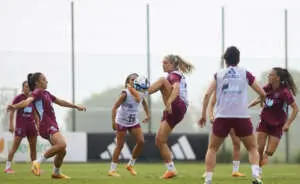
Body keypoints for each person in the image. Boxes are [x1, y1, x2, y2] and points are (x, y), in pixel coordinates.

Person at [198, 46, 266, 184]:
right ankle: (256, 177)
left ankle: (208, 180)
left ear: (225, 60)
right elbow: (262, 93)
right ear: (238, 59)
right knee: (252, 147)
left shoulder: (219, 74)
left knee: (212, 148)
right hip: (241, 116)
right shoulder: (245, 73)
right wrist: (262, 101)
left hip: (222, 116)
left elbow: (206, 95)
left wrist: (204, 115)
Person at [7, 72, 86, 179]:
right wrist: (14, 106)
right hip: (46, 125)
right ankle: (37, 163)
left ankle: (56, 172)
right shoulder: (37, 92)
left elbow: (61, 102)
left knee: (62, 151)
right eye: (44, 79)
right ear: (37, 82)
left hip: (52, 124)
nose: (46, 81)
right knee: (62, 144)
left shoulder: (46, 93)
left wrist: (76, 106)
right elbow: (27, 101)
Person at [129, 54, 194, 179]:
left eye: (165, 62)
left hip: (177, 105)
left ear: (172, 64)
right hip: (175, 110)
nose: (162, 64)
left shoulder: (174, 75)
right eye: (162, 62)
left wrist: (169, 103)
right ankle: (171, 169)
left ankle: (142, 93)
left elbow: (176, 89)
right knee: (159, 140)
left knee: (162, 81)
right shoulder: (172, 75)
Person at [249, 67, 299, 178]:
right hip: (264, 122)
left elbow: (295, 109)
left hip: (278, 125)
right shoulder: (267, 88)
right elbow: (259, 97)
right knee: (259, 149)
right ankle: (257, 175)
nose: (269, 76)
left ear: (277, 78)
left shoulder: (285, 92)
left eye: (271, 75)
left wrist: (288, 124)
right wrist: (247, 106)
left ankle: (262, 163)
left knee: (269, 152)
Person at [108, 73, 150, 177]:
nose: (133, 81)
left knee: (141, 141)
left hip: (133, 122)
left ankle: (130, 165)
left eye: (135, 79)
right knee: (120, 145)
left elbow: (144, 102)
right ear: (128, 81)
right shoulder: (125, 93)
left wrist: (148, 114)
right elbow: (114, 107)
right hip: (122, 122)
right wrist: (113, 122)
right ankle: (112, 170)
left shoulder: (140, 93)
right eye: (131, 79)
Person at [202, 91, 246, 178]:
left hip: (234, 119)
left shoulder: (236, 89)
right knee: (213, 147)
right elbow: (212, 103)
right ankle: (207, 172)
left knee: (237, 143)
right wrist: (211, 116)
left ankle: (235, 171)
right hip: (221, 119)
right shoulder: (219, 89)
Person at [4, 81, 39, 174]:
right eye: (26, 87)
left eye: (29, 87)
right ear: (22, 88)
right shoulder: (18, 98)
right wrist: (11, 124)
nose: (27, 88)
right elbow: (12, 110)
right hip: (21, 126)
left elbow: (35, 114)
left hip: (31, 126)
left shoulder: (33, 99)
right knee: (14, 147)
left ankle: (35, 168)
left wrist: (38, 125)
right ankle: (7, 168)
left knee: (33, 148)